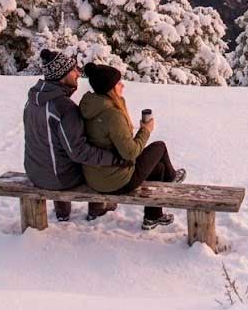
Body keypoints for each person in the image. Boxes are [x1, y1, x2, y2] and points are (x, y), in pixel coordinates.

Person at [23, 49, 130, 222]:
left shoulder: (33, 99)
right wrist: (115, 159)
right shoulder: (64, 107)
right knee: (95, 168)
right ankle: (98, 210)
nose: (78, 73)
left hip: (35, 171)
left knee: (56, 148)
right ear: (61, 76)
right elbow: (79, 152)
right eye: (73, 70)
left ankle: (62, 210)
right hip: (58, 178)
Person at [79, 62, 187, 230]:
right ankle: (172, 178)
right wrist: (145, 130)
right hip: (116, 181)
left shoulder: (90, 107)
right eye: (118, 83)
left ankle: (152, 217)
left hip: (95, 176)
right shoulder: (112, 115)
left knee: (157, 168)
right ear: (110, 89)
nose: (122, 85)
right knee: (159, 146)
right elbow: (130, 153)